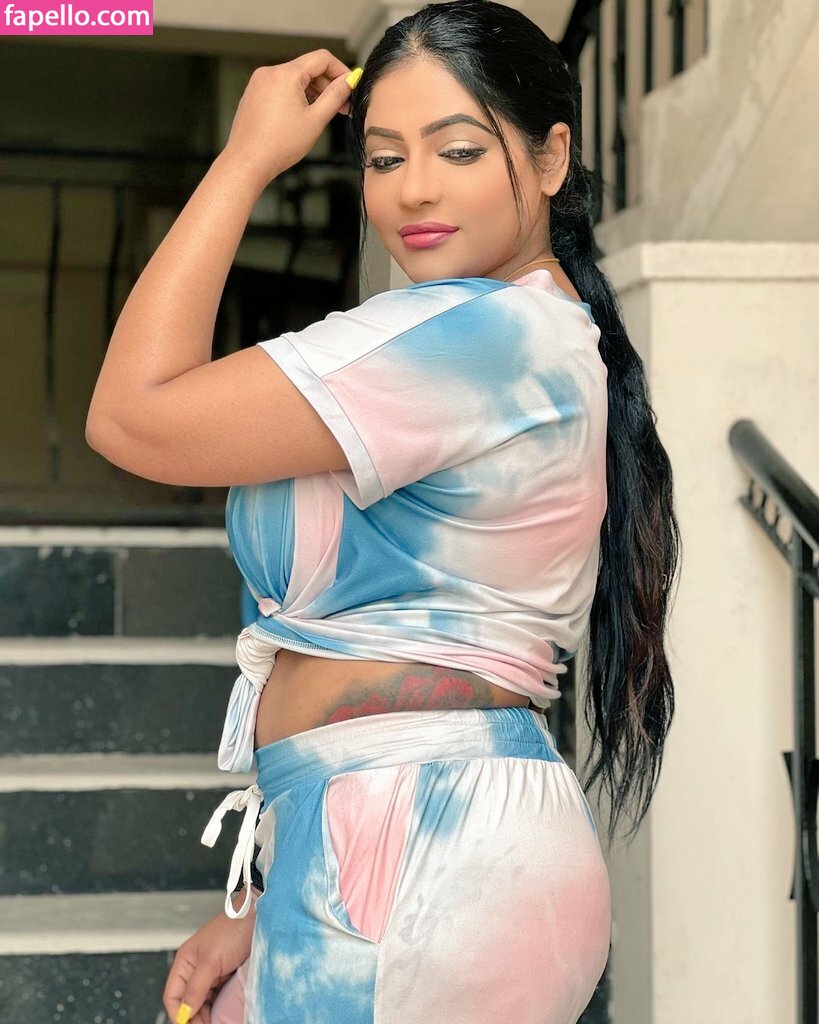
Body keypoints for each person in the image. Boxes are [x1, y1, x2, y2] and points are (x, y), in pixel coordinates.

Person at [85, 1, 681, 1021]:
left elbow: (131, 418)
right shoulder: (512, 333)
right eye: (384, 158)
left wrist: (243, 161)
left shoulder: (481, 335)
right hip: (388, 841)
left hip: (422, 848)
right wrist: (275, 886)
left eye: (458, 150)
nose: (414, 190)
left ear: (550, 158)